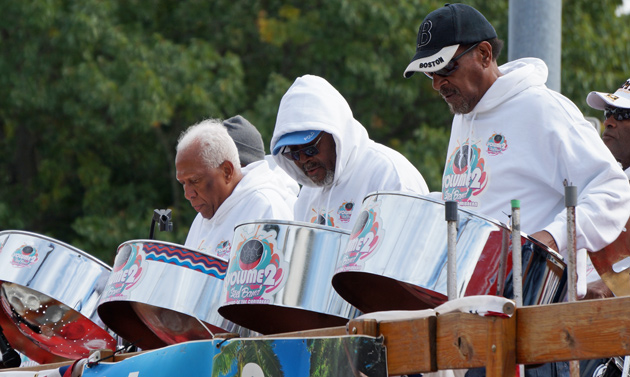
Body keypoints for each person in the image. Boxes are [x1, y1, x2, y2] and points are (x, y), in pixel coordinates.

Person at [403, 3, 630, 376]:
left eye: (445, 69)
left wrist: (551, 238)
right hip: (477, 324)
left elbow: (611, 189)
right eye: (431, 75)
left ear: (484, 54)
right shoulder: (463, 116)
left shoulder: (543, 109)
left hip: (539, 325)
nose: (438, 84)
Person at [270, 74, 430, 231]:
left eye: (309, 147)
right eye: (293, 153)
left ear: (336, 134)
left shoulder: (388, 175)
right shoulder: (308, 196)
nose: (303, 159)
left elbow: (415, 251)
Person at [176, 118, 295, 259]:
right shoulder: (203, 216)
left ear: (227, 171)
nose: (188, 194)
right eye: (183, 183)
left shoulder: (265, 207)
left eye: (195, 180)